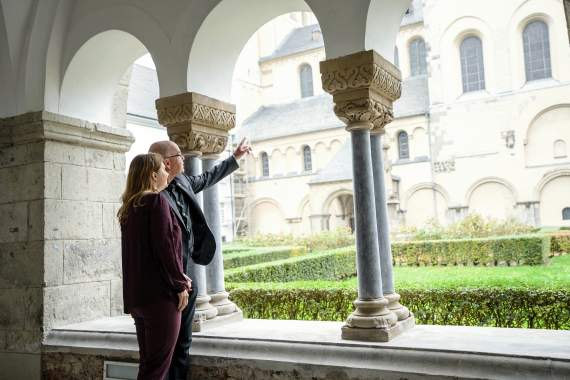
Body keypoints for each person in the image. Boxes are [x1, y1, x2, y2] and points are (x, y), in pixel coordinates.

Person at [148, 138, 252, 380]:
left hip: (189, 274)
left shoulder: (183, 180)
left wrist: (235, 157)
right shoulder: (151, 196)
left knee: (184, 339)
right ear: (166, 162)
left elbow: (207, 178)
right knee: (165, 344)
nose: (184, 159)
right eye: (179, 156)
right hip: (165, 280)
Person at [117, 153, 192, 380]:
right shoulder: (156, 201)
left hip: (138, 298)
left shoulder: (130, 207)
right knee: (156, 370)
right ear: (153, 175)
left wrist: (180, 275)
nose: (167, 173)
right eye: (163, 169)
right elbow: (165, 247)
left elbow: (140, 255)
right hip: (160, 298)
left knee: (148, 367)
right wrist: (179, 283)